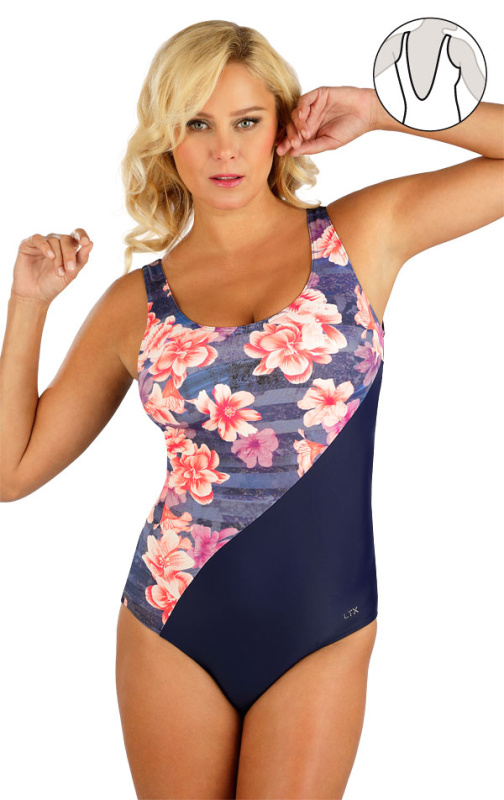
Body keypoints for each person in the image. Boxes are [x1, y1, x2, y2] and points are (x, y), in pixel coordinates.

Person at [0, 18, 502, 800]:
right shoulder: (134, 303)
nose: (224, 150)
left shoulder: (361, 235)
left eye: (246, 121)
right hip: (171, 618)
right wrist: (29, 303)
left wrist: (379, 110)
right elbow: (13, 471)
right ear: (168, 137)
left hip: (322, 627)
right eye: (198, 124)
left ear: (281, 128)